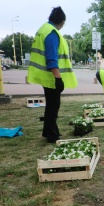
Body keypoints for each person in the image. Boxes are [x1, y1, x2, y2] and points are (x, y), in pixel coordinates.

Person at [27, 6, 77, 143]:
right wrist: (58, 79)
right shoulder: (52, 33)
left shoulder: (43, 29)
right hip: (51, 78)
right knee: (53, 106)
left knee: (51, 105)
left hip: (46, 76)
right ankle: (51, 134)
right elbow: (51, 59)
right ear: (62, 22)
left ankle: (49, 131)